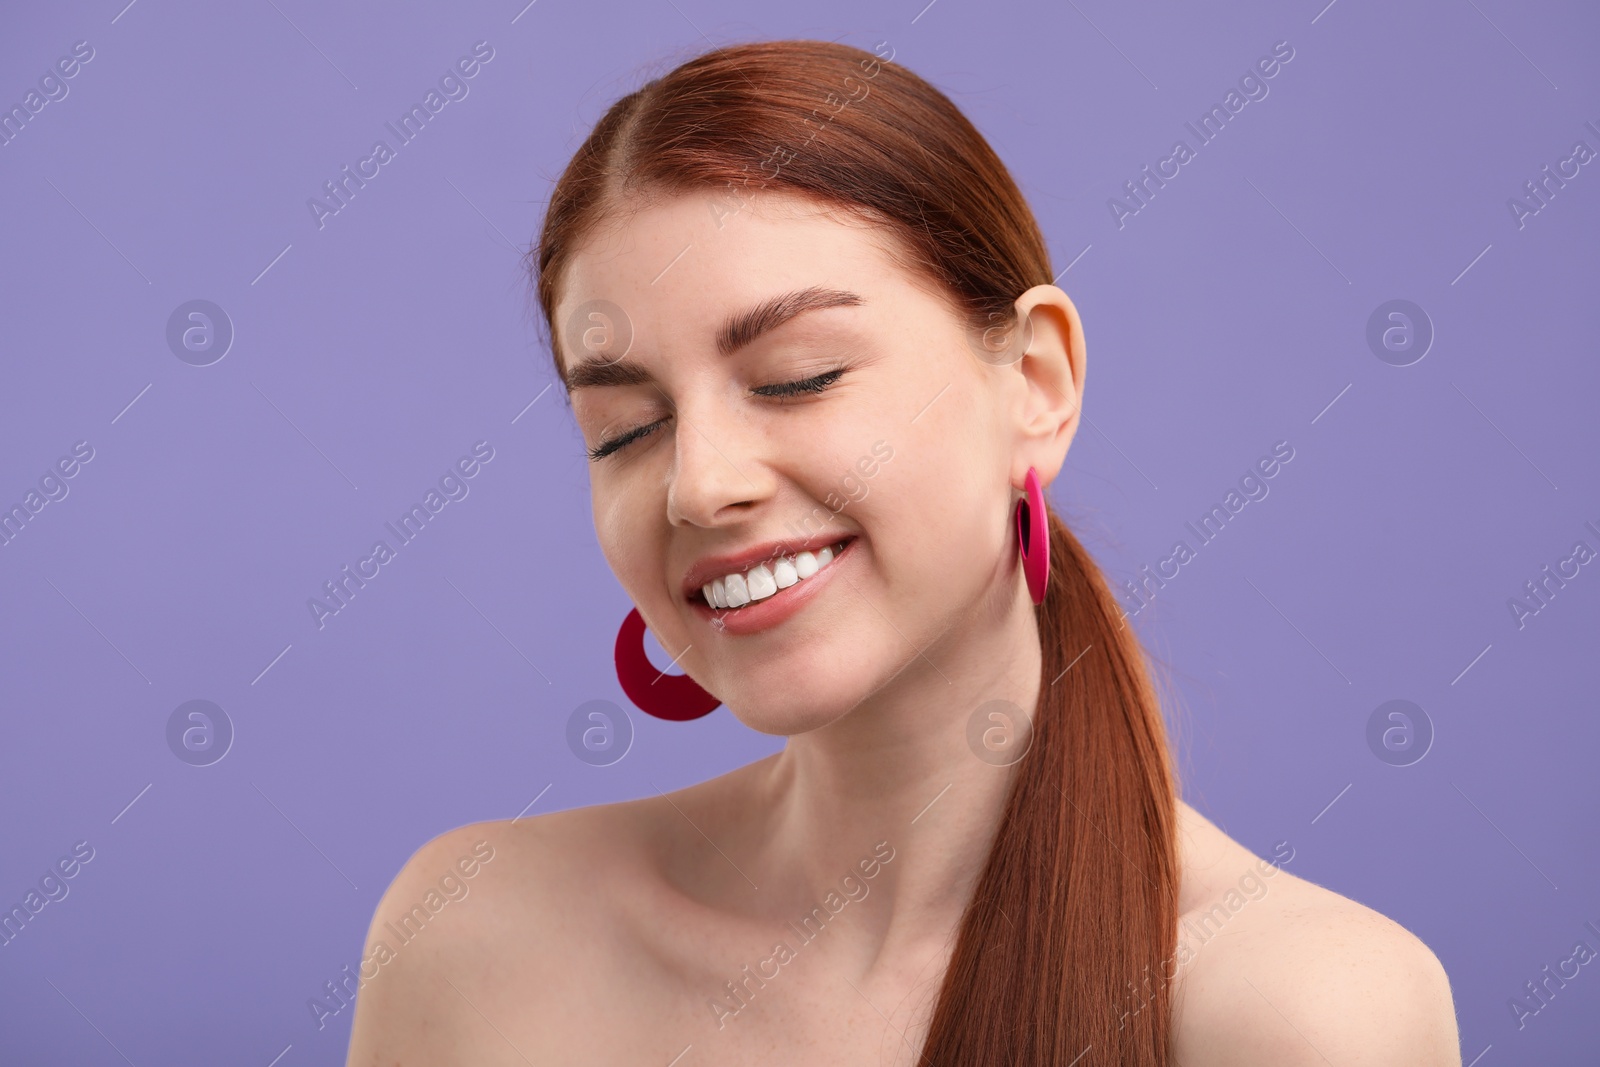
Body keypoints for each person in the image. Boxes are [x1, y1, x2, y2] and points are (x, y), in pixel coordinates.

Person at [346, 39, 1459, 1065]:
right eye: (625, 430)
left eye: (797, 375)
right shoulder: (478, 937)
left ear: (1035, 382)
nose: (697, 482)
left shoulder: (1297, 1008)